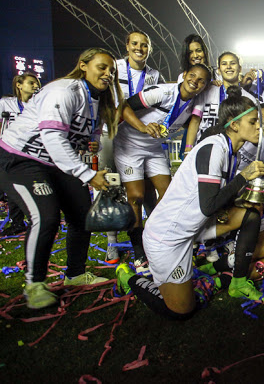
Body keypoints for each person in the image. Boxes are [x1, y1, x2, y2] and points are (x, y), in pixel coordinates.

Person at [115, 93, 264, 319]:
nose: (259, 127)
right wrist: (244, 178)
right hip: (167, 237)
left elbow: (218, 198)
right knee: (182, 311)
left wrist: (246, 196)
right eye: (253, 122)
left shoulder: (230, 151)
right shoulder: (214, 148)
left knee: (250, 215)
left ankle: (237, 281)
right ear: (234, 124)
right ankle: (128, 277)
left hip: (194, 228)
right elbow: (208, 206)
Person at [0, 48, 122, 309]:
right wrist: (88, 175)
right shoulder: (64, 91)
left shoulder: (97, 100)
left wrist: (91, 158)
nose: (108, 74)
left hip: (55, 163)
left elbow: (85, 142)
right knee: (46, 216)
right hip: (21, 159)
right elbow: (53, 138)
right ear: (83, 65)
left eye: (112, 70)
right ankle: (35, 284)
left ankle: (75, 274)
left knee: (81, 215)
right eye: (102, 67)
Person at [114, 63, 211, 273]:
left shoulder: (195, 103)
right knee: (136, 197)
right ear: (184, 75)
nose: (195, 81)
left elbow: (192, 124)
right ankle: (139, 253)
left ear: (205, 86)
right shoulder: (163, 91)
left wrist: (188, 150)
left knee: (168, 195)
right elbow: (123, 106)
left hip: (154, 147)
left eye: (201, 80)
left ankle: (154, 238)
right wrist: (142, 127)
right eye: (192, 75)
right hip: (129, 145)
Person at [103, 30, 164, 264]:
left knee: (140, 192)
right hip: (111, 135)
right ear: (126, 45)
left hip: (139, 139)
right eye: (135, 44)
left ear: (150, 49)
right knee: (109, 189)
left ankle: (144, 239)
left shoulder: (154, 74)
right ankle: (111, 244)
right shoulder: (114, 66)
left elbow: (155, 105)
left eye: (145, 45)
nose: (140, 48)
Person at [184, 51, 254, 151]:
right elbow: (195, 121)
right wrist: (188, 148)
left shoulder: (249, 99)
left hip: (232, 152)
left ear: (240, 68)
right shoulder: (206, 92)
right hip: (203, 148)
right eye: (224, 64)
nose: (229, 66)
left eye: (233, 63)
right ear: (219, 70)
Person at [0, 72, 41, 236]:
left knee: (33, 187)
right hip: (9, 150)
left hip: (31, 151)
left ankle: (35, 220)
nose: (36, 86)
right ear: (19, 85)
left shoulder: (39, 105)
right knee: (11, 188)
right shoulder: (6, 103)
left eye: (37, 83)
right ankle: (18, 222)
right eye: (31, 83)